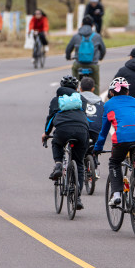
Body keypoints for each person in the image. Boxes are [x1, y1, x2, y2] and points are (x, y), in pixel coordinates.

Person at [93, 77, 135, 207]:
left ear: (111, 93)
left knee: (114, 162)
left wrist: (98, 147)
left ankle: (117, 195)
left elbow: (104, 130)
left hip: (122, 139)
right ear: (127, 91)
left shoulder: (108, 105)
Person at [42, 75, 88, 210]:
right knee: (79, 163)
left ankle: (58, 165)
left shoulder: (56, 100)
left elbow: (51, 118)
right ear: (76, 88)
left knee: (56, 143)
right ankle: (77, 197)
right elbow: (84, 117)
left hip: (63, 129)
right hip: (81, 130)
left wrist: (46, 133)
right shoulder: (82, 99)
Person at [66, 15, 106, 92]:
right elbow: (103, 50)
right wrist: (100, 58)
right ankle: (96, 101)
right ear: (92, 25)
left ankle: (75, 95)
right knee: (96, 84)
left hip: (79, 64)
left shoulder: (76, 36)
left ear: (81, 24)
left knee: (74, 83)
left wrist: (68, 57)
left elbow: (68, 49)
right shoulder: (97, 36)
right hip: (93, 64)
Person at [79, 76, 104, 156]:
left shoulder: (76, 100)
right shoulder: (101, 103)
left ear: (80, 88)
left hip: (81, 129)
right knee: (94, 148)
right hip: (96, 131)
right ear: (93, 89)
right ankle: (94, 162)